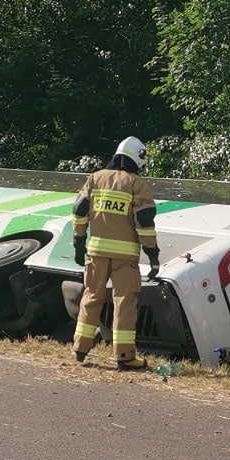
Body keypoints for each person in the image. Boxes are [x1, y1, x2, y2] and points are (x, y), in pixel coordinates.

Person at [71, 136, 158, 371]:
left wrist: (79, 242)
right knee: (124, 302)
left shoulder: (95, 178)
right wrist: (152, 254)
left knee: (91, 296)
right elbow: (144, 222)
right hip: (125, 258)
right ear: (138, 157)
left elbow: (78, 211)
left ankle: (80, 348)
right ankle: (125, 355)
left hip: (96, 252)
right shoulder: (136, 184)